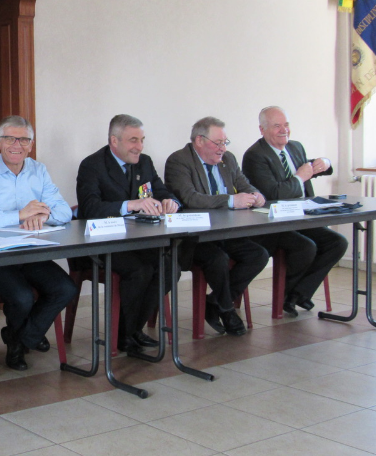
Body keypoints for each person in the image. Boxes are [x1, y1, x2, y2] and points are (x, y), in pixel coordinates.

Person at [0, 115, 77, 371]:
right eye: (10, 139)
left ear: (31, 145)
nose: (17, 145)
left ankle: (21, 338)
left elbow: (64, 212)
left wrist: (44, 215)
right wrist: (20, 215)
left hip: (28, 252)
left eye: (24, 140)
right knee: (22, 297)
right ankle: (21, 343)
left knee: (65, 288)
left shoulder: (39, 170)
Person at [76, 114, 180, 353]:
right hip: (103, 243)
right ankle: (123, 334)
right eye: (133, 140)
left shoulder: (144, 162)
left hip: (138, 240)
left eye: (142, 140)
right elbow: (89, 209)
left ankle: (132, 329)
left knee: (169, 267)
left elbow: (162, 191)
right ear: (114, 140)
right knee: (140, 271)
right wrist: (130, 205)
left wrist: (170, 202)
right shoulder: (92, 165)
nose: (140, 147)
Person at [164, 117, 269, 335]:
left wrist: (256, 195)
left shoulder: (228, 159)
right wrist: (230, 200)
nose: (223, 148)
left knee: (258, 255)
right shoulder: (179, 161)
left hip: (225, 232)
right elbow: (190, 198)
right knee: (217, 259)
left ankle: (214, 302)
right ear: (199, 140)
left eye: (225, 142)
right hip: (194, 238)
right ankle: (227, 310)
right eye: (218, 143)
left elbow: (244, 185)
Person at [242, 106, 348, 316]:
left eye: (286, 125)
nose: (284, 130)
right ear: (262, 129)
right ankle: (288, 296)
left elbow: (312, 168)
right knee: (306, 247)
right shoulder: (255, 156)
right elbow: (274, 193)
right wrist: (300, 177)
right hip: (273, 223)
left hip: (302, 217)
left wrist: (325, 163)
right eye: (277, 126)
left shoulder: (295, 147)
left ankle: (297, 294)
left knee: (337, 242)